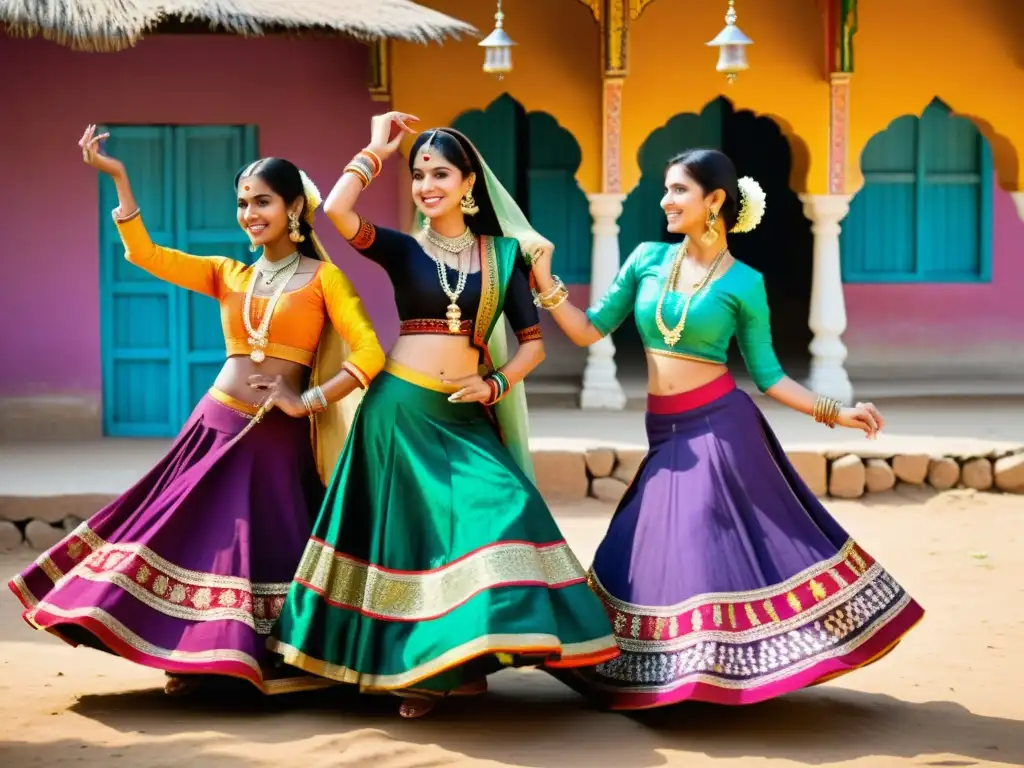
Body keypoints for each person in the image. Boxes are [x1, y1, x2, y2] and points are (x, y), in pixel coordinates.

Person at [531, 148, 925, 708]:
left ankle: (700, 678)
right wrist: (546, 283)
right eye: (666, 190)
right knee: (635, 549)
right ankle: (659, 669)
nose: (666, 201)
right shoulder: (645, 259)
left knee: (693, 541)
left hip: (720, 427)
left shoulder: (745, 283)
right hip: (664, 434)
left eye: (678, 191)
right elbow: (590, 330)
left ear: (714, 200)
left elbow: (768, 375)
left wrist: (837, 412)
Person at [7, 125, 385, 697]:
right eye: (242, 203)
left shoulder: (326, 279)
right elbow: (144, 253)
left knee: (267, 547)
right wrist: (119, 178)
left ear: (293, 208)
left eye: (262, 201)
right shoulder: (227, 273)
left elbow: (370, 352)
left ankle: (271, 658)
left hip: (278, 439)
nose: (250, 213)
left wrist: (305, 399)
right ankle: (188, 657)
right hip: (216, 424)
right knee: (191, 536)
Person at [267, 113, 619, 718]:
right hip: (397, 412)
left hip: (463, 416)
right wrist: (376, 149)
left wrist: (495, 383)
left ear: (468, 184)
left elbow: (533, 342)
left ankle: (470, 657)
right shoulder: (402, 250)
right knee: (410, 546)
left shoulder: (506, 256)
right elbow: (338, 213)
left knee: (506, 511)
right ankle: (423, 673)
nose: (427, 184)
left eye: (441, 173)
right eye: (419, 174)